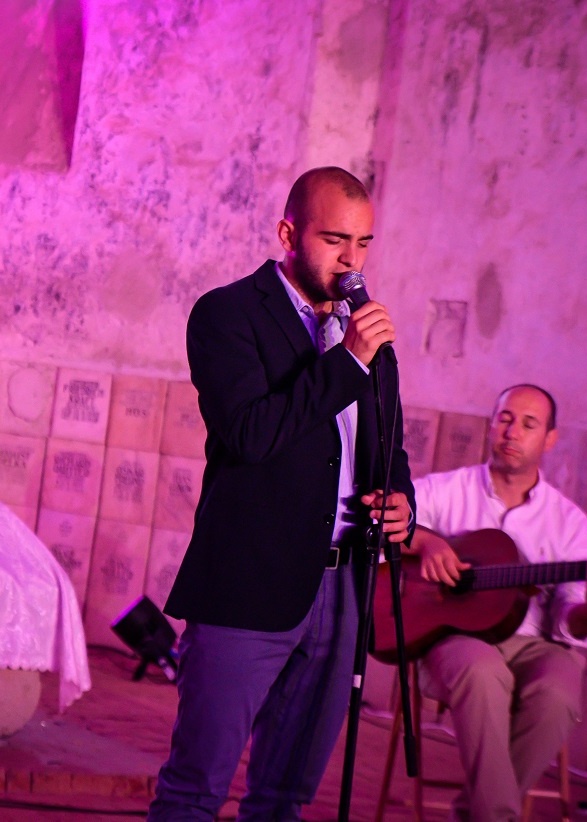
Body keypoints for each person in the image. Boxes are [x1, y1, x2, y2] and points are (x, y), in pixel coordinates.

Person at [148, 167, 416, 820]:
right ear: (289, 234)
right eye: (334, 240)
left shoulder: (366, 334)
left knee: (285, 798)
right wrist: (347, 360)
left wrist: (402, 501)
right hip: (250, 582)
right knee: (196, 790)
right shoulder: (228, 314)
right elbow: (251, 433)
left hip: (343, 586)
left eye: (363, 243)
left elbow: (388, 446)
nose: (352, 261)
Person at [408, 384, 587, 822]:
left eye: (529, 424)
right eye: (505, 419)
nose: (513, 432)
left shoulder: (568, 521)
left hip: (536, 645)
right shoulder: (445, 490)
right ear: (492, 425)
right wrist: (426, 542)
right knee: (483, 671)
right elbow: (385, 524)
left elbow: (571, 622)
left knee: (558, 694)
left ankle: (478, 812)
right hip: (454, 641)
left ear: (549, 439)